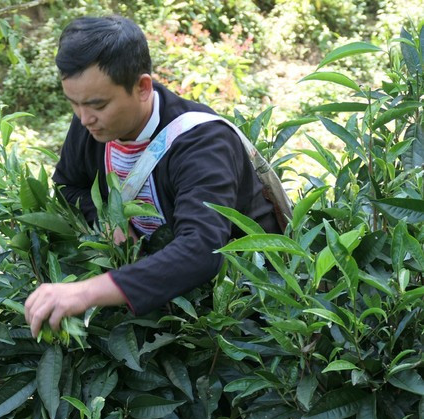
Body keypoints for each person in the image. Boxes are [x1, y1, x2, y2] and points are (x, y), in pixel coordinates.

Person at [24, 15, 281, 338]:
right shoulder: (92, 125)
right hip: (167, 302)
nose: (84, 118)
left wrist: (86, 292)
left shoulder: (201, 142)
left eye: (97, 105)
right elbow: (68, 186)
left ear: (142, 87)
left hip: (244, 311)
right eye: (73, 103)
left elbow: (202, 250)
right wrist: (110, 219)